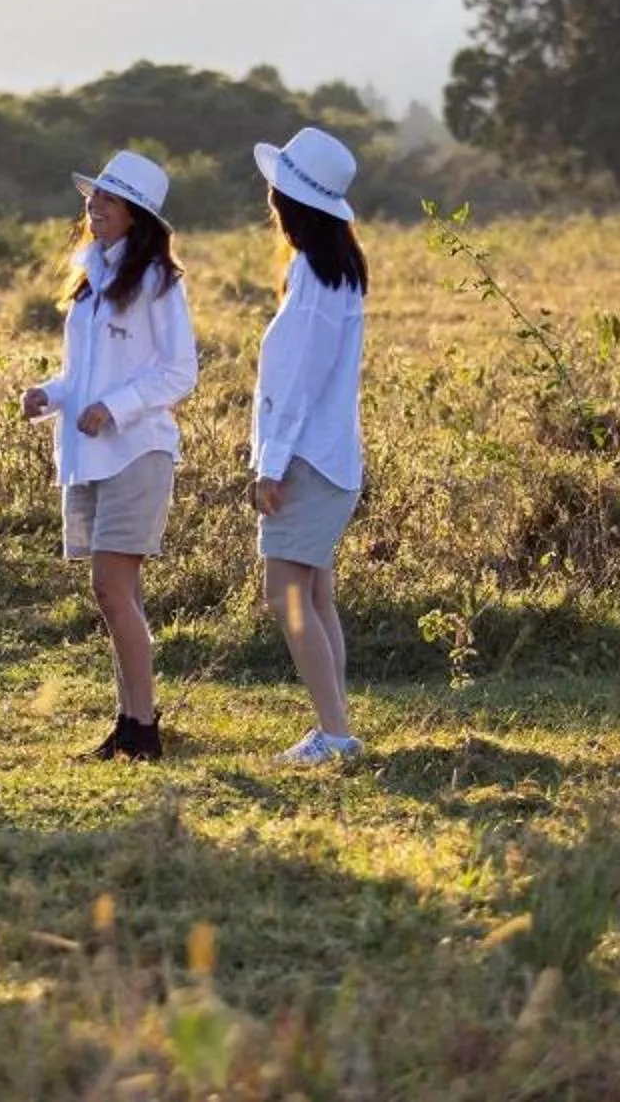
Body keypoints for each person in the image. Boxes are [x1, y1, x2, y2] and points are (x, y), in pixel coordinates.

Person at [21, 149, 198, 761]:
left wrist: (118, 407)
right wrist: (50, 393)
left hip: (135, 452)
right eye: (92, 197)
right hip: (88, 454)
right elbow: (83, 374)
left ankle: (142, 727)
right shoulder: (89, 277)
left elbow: (179, 372)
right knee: (115, 594)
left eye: (108, 200)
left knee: (110, 588)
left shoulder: (158, 283)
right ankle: (130, 721)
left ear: (137, 215)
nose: (93, 208)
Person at [249, 125, 369, 765]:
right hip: (326, 457)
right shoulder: (328, 272)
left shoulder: (319, 285)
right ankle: (336, 725)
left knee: (288, 595)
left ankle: (336, 733)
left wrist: (269, 467)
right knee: (315, 595)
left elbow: (294, 385)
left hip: (307, 461)